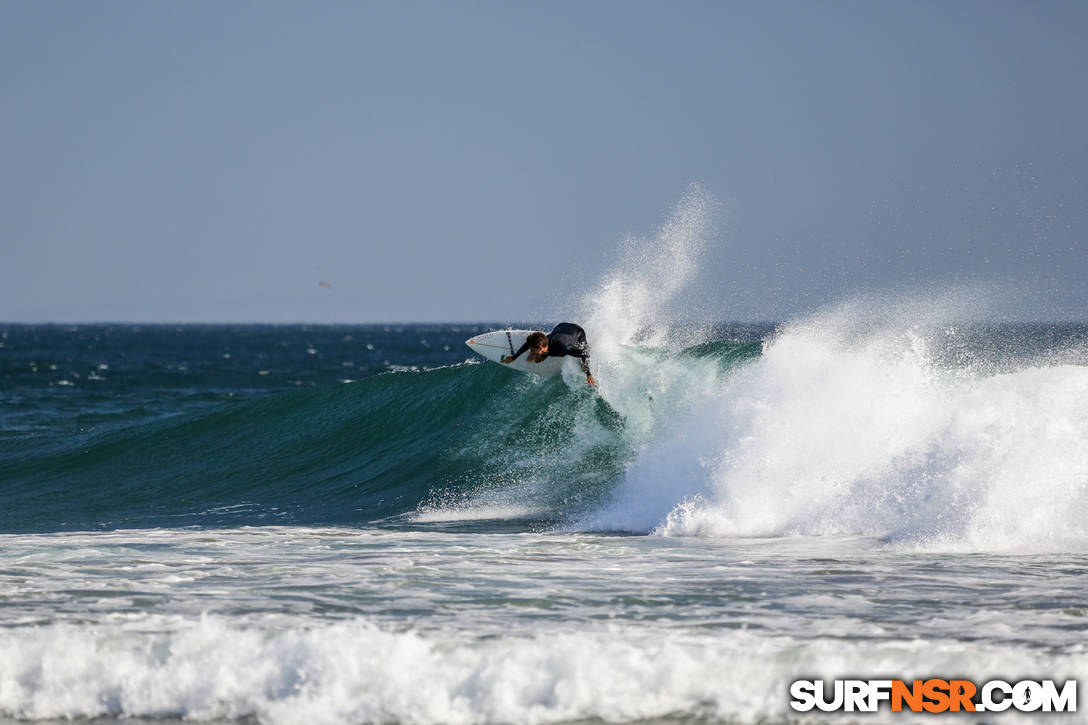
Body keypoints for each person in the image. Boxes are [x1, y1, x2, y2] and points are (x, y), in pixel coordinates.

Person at [503, 322, 597, 387]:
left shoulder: (563, 347)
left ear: (540, 348)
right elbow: (527, 345)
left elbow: (584, 354)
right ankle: (544, 355)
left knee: (583, 354)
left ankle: (544, 355)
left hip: (577, 332)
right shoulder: (544, 343)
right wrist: (514, 357)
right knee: (546, 353)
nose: (530, 351)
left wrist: (589, 374)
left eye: (532, 350)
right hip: (561, 327)